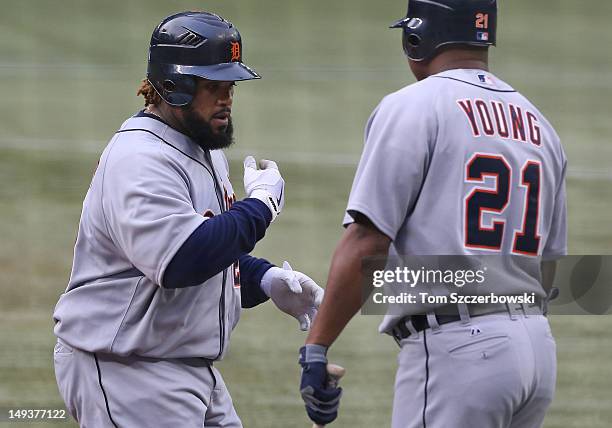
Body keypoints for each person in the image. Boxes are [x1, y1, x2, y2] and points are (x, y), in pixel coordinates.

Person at [298, 1, 566, 427]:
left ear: (416, 38)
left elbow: (368, 241)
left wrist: (317, 345)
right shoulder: (540, 125)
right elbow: (550, 266)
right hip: (536, 352)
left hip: (461, 355)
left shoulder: (414, 106)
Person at [53, 11, 323, 427]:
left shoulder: (202, 150)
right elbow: (181, 260)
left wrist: (264, 280)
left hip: (183, 369)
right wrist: (261, 206)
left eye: (230, 86)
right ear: (174, 86)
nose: (227, 98)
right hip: (128, 372)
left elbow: (206, 249)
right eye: (213, 87)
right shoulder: (140, 159)